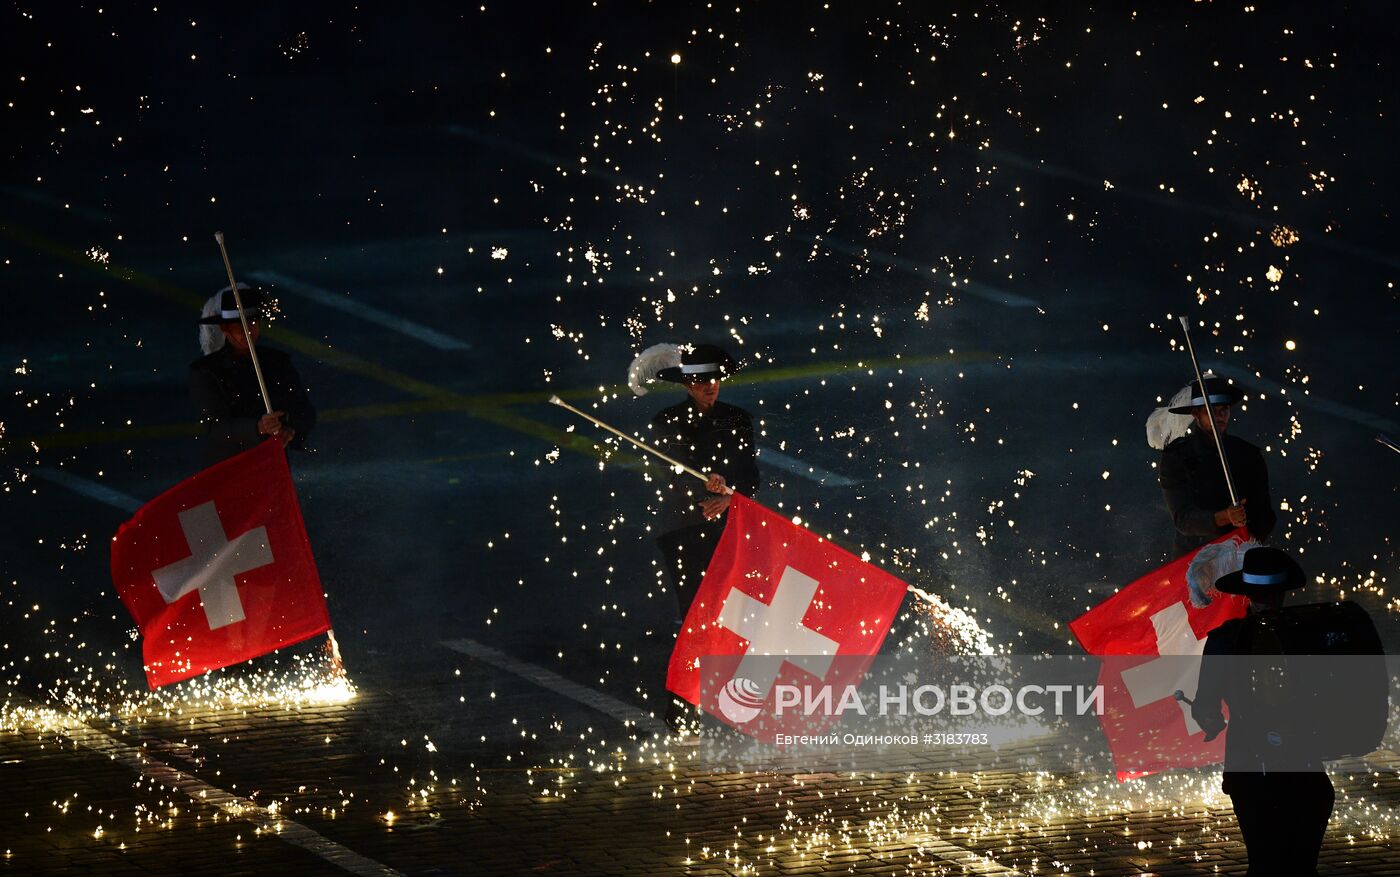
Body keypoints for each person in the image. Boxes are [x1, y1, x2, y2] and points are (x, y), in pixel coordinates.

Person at [1191, 547, 1334, 876]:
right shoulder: (1307, 634)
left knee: (1264, 862)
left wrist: (1211, 721)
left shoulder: (1225, 640)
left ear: (1246, 594)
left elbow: (1205, 706)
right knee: (1302, 865)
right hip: (1304, 766)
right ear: (1283, 593)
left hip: (1249, 769)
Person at [647, 343, 760, 735]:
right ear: (686, 385)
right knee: (696, 616)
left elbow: (751, 476)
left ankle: (733, 705)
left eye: (712, 379)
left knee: (736, 617)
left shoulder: (739, 419)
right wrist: (702, 494)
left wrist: (729, 497)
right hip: (683, 532)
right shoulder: (666, 421)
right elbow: (668, 474)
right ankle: (682, 710)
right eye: (698, 381)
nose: (708, 387)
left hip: (728, 529)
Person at [189, 284, 316, 466]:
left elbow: (304, 409)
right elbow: (215, 426)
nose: (248, 330)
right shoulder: (206, 371)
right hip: (230, 468)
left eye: (252, 322)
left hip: (272, 465)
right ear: (225, 328)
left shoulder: (277, 361)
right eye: (239, 325)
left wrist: (291, 428)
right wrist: (257, 427)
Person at [1158, 376, 1276, 557]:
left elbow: (1265, 512)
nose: (1220, 417)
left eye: (1224, 410)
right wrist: (1224, 517)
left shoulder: (1248, 454)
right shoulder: (1176, 456)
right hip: (1193, 558)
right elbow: (1183, 519)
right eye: (1211, 411)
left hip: (1240, 552)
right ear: (1196, 414)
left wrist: (1249, 539)